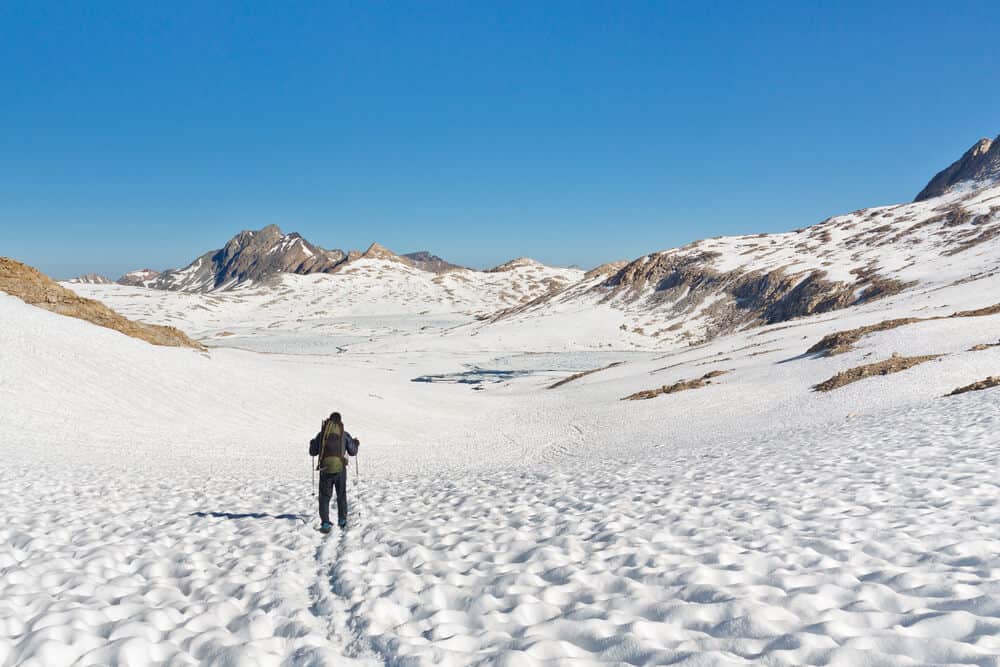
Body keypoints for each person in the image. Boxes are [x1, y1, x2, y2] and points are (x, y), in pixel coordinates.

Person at [309, 412, 360, 532]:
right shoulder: (344, 434)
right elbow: (352, 452)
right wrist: (356, 443)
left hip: (325, 470)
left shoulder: (322, 434)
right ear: (340, 421)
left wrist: (312, 443)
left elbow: (313, 452)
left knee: (325, 497)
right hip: (340, 470)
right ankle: (342, 520)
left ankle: (325, 523)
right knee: (341, 495)